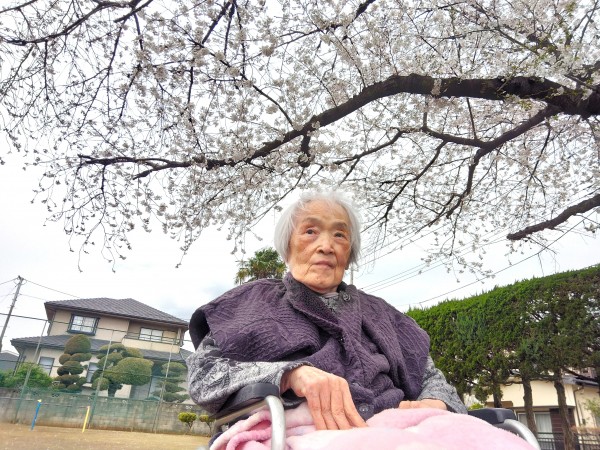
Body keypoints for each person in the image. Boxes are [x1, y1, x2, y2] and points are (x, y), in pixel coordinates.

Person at [187, 190, 467, 433]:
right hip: (300, 433)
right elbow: (203, 376)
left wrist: (436, 402)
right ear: (287, 245)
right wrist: (290, 374)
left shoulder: (384, 315)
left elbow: (431, 378)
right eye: (310, 231)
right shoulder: (249, 302)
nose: (326, 246)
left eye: (339, 235)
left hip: (397, 431)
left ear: (349, 253)